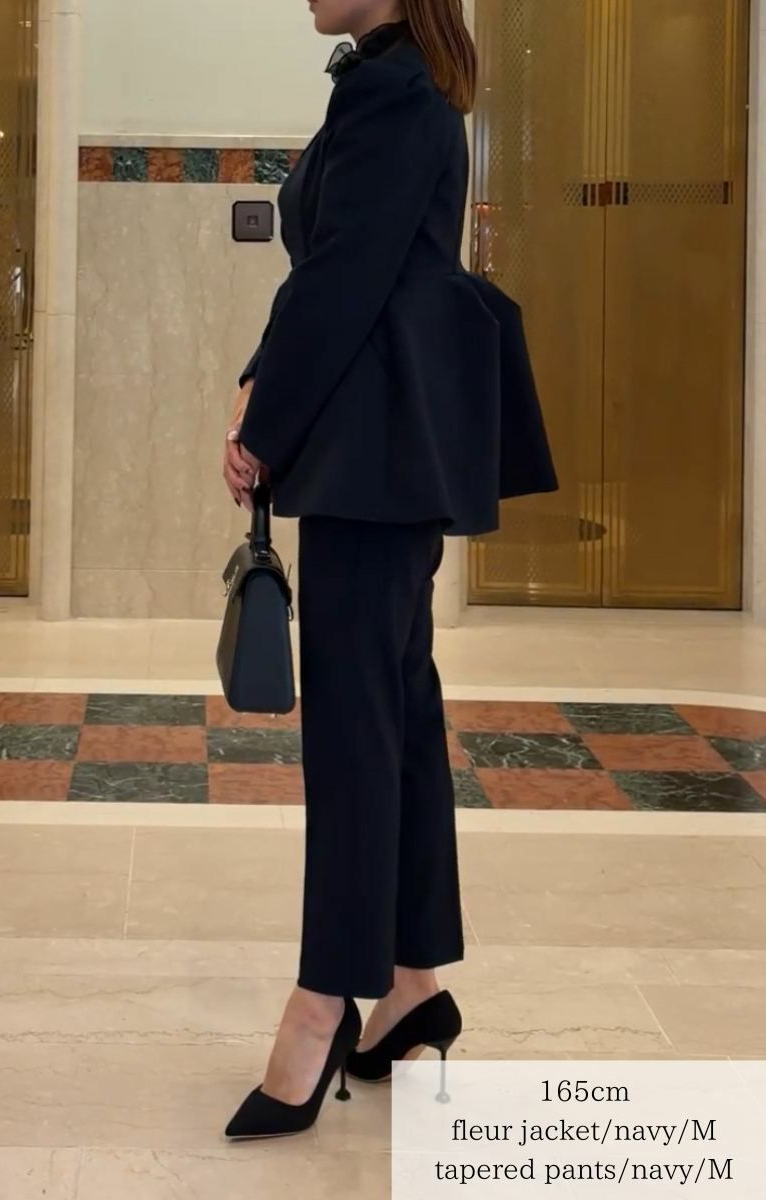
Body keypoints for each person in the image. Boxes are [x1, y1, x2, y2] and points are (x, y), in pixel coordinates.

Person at [221, 0, 557, 1141]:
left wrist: (264, 423)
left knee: (355, 735)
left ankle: (324, 1003)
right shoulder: (397, 81)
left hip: (372, 457)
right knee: (398, 719)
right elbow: (341, 268)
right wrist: (260, 376)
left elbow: (345, 281)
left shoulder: (391, 92)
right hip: (387, 451)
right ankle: (412, 985)